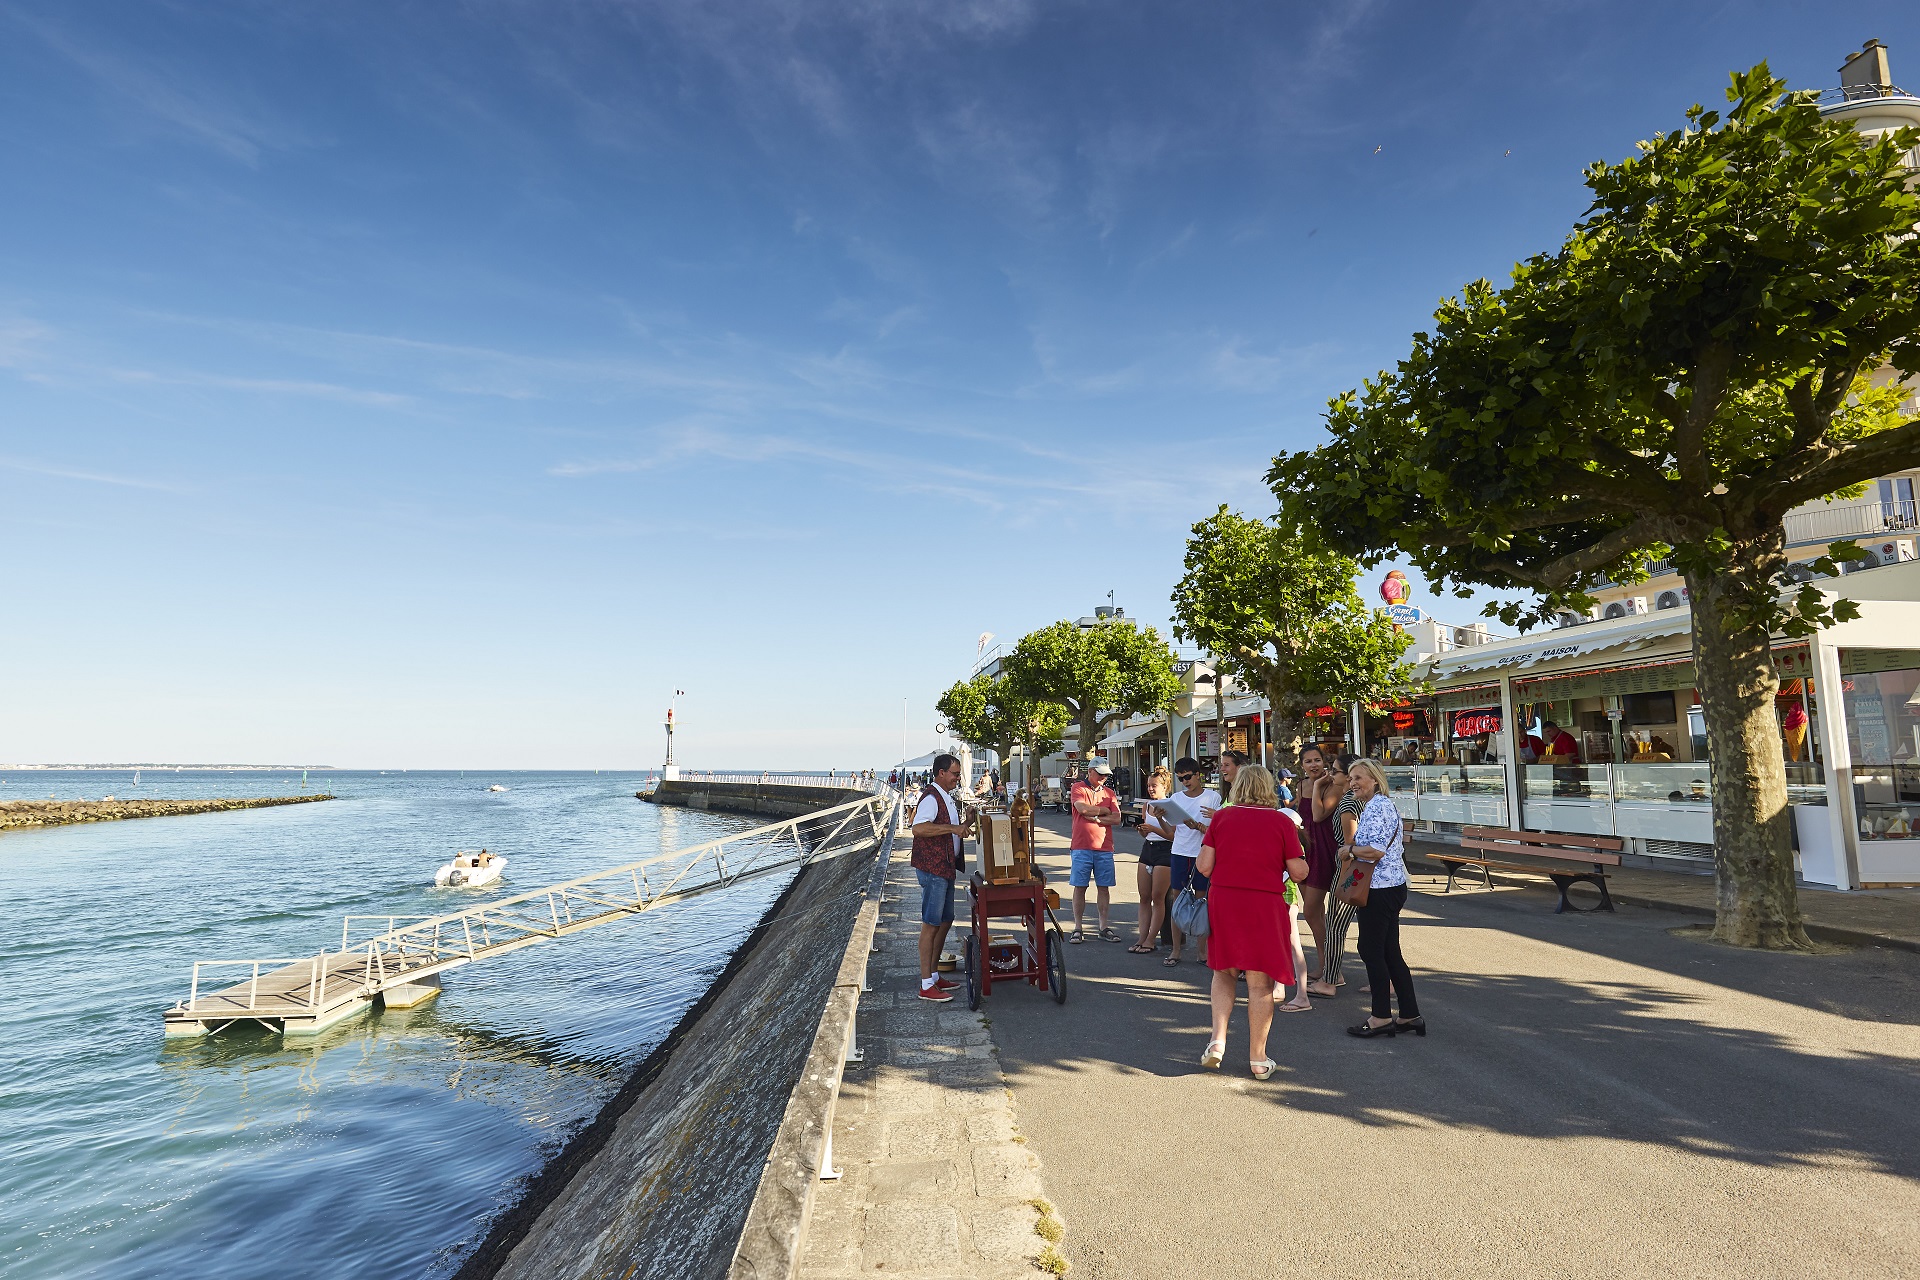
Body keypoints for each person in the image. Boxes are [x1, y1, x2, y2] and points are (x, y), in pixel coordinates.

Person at [1196, 765, 1309, 1079]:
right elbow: (1298, 872)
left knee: (1224, 971)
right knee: (1260, 984)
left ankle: (1217, 1041)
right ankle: (1258, 1059)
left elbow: (1204, 866)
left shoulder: (1221, 818)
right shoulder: (1281, 821)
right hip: (1264, 903)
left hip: (1226, 900)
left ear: (1239, 787)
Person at [1343, 759, 1423, 1038]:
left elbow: (1375, 851)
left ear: (1375, 780)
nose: (1353, 782)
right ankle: (1410, 1014)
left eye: (1359, 778)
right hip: (1390, 886)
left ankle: (1380, 1017)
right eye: (1351, 778)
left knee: (1370, 950)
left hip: (1379, 889)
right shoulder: (1380, 805)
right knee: (1389, 952)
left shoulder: (1377, 807)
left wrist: (1349, 850)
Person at [910, 753, 975, 1003]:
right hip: (933, 869)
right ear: (941, 773)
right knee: (931, 924)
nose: (958, 778)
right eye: (955, 774)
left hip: (944, 868)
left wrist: (966, 821)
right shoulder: (931, 797)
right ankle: (926, 984)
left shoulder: (945, 797)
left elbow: (953, 830)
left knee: (945, 920)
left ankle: (935, 975)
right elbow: (918, 828)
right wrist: (953, 828)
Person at [1311, 754, 1365, 997]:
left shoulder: (1348, 804)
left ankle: (1330, 979)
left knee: (1335, 926)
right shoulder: (1369, 800)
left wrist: (1343, 881)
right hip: (1373, 872)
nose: (1331, 774)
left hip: (1353, 872)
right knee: (1377, 929)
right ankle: (1387, 980)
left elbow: (1349, 847)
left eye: (1335, 771)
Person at [1164, 756, 1220, 967]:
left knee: (1201, 901)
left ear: (1198, 775)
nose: (1185, 782)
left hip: (1202, 853)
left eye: (1188, 777)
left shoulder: (1213, 797)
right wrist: (1161, 817)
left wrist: (1197, 826)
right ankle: (1176, 950)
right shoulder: (1176, 798)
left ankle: (1201, 952)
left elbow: (1216, 830)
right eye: (1181, 778)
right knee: (1177, 901)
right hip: (1179, 852)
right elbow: (1170, 831)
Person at [1293, 747, 1340, 996]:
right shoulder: (1300, 785)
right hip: (1304, 849)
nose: (1313, 765)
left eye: (1317, 760)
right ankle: (1327, 965)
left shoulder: (1332, 784)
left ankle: (1331, 968)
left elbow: (1320, 816)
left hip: (1324, 850)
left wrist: (1320, 785)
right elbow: (1301, 817)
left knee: (1310, 911)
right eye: (1308, 761)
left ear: (1325, 761)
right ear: (1301, 765)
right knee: (1316, 914)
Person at [1069, 759, 1123, 942]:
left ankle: (1103, 926)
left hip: (1104, 847)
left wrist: (1097, 818)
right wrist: (1104, 810)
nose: (1103, 777)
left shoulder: (1110, 792)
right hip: (1081, 846)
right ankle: (1078, 926)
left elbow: (1117, 818)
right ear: (1090, 771)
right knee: (1080, 886)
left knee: (1103, 887)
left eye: (1106, 774)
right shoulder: (1078, 787)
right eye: (1100, 773)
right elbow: (1082, 809)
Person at [1131, 769, 1176, 953]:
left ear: (1164, 786)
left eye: (1154, 785)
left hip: (1165, 852)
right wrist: (1143, 830)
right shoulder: (1147, 805)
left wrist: (1153, 828)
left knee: (1158, 898)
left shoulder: (1171, 805)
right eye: (1148, 785)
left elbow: (1173, 835)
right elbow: (1146, 832)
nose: (1150, 789)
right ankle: (1142, 938)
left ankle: (1151, 939)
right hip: (1148, 849)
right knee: (1144, 897)